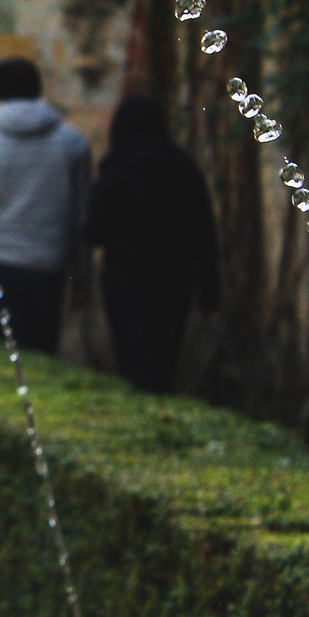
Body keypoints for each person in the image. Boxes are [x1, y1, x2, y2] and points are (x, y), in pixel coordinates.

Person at [0, 57, 91, 354]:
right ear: (39, 90)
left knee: (8, 361)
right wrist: (82, 277)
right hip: (51, 264)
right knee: (45, 356)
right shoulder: (73, 142)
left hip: (2, 262)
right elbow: (82, 219)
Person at [87, 95, 220, 393]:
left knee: (132, 363)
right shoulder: (183, 169)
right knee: (164, 363)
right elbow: (203, 234)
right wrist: (209, 289)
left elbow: (95, 231)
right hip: (174, 281)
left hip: (126, 281)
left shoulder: (116, 170)